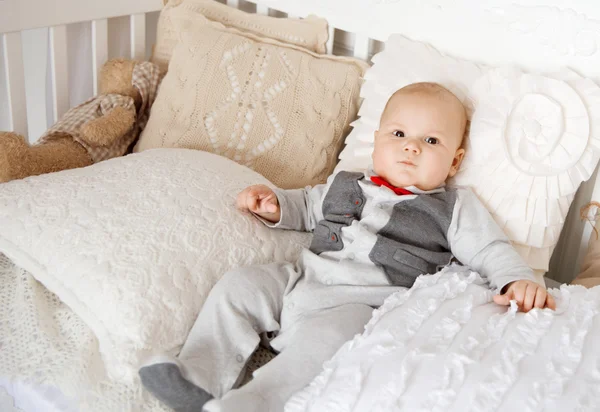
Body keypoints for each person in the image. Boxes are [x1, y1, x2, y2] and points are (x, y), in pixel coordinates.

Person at [139, 82, 555, 412]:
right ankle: (196, 374)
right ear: (376, 141)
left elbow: (489, 250)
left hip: (359, 306)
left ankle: (256, 402)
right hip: (300, 280)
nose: (411, 146)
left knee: (325, 344)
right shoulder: (347, 182)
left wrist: (517, 279)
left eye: (431, 142)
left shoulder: (453, 207)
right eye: (399, 134)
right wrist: (275, 204)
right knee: (239, 286)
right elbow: (305, 206)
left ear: (455, 161)